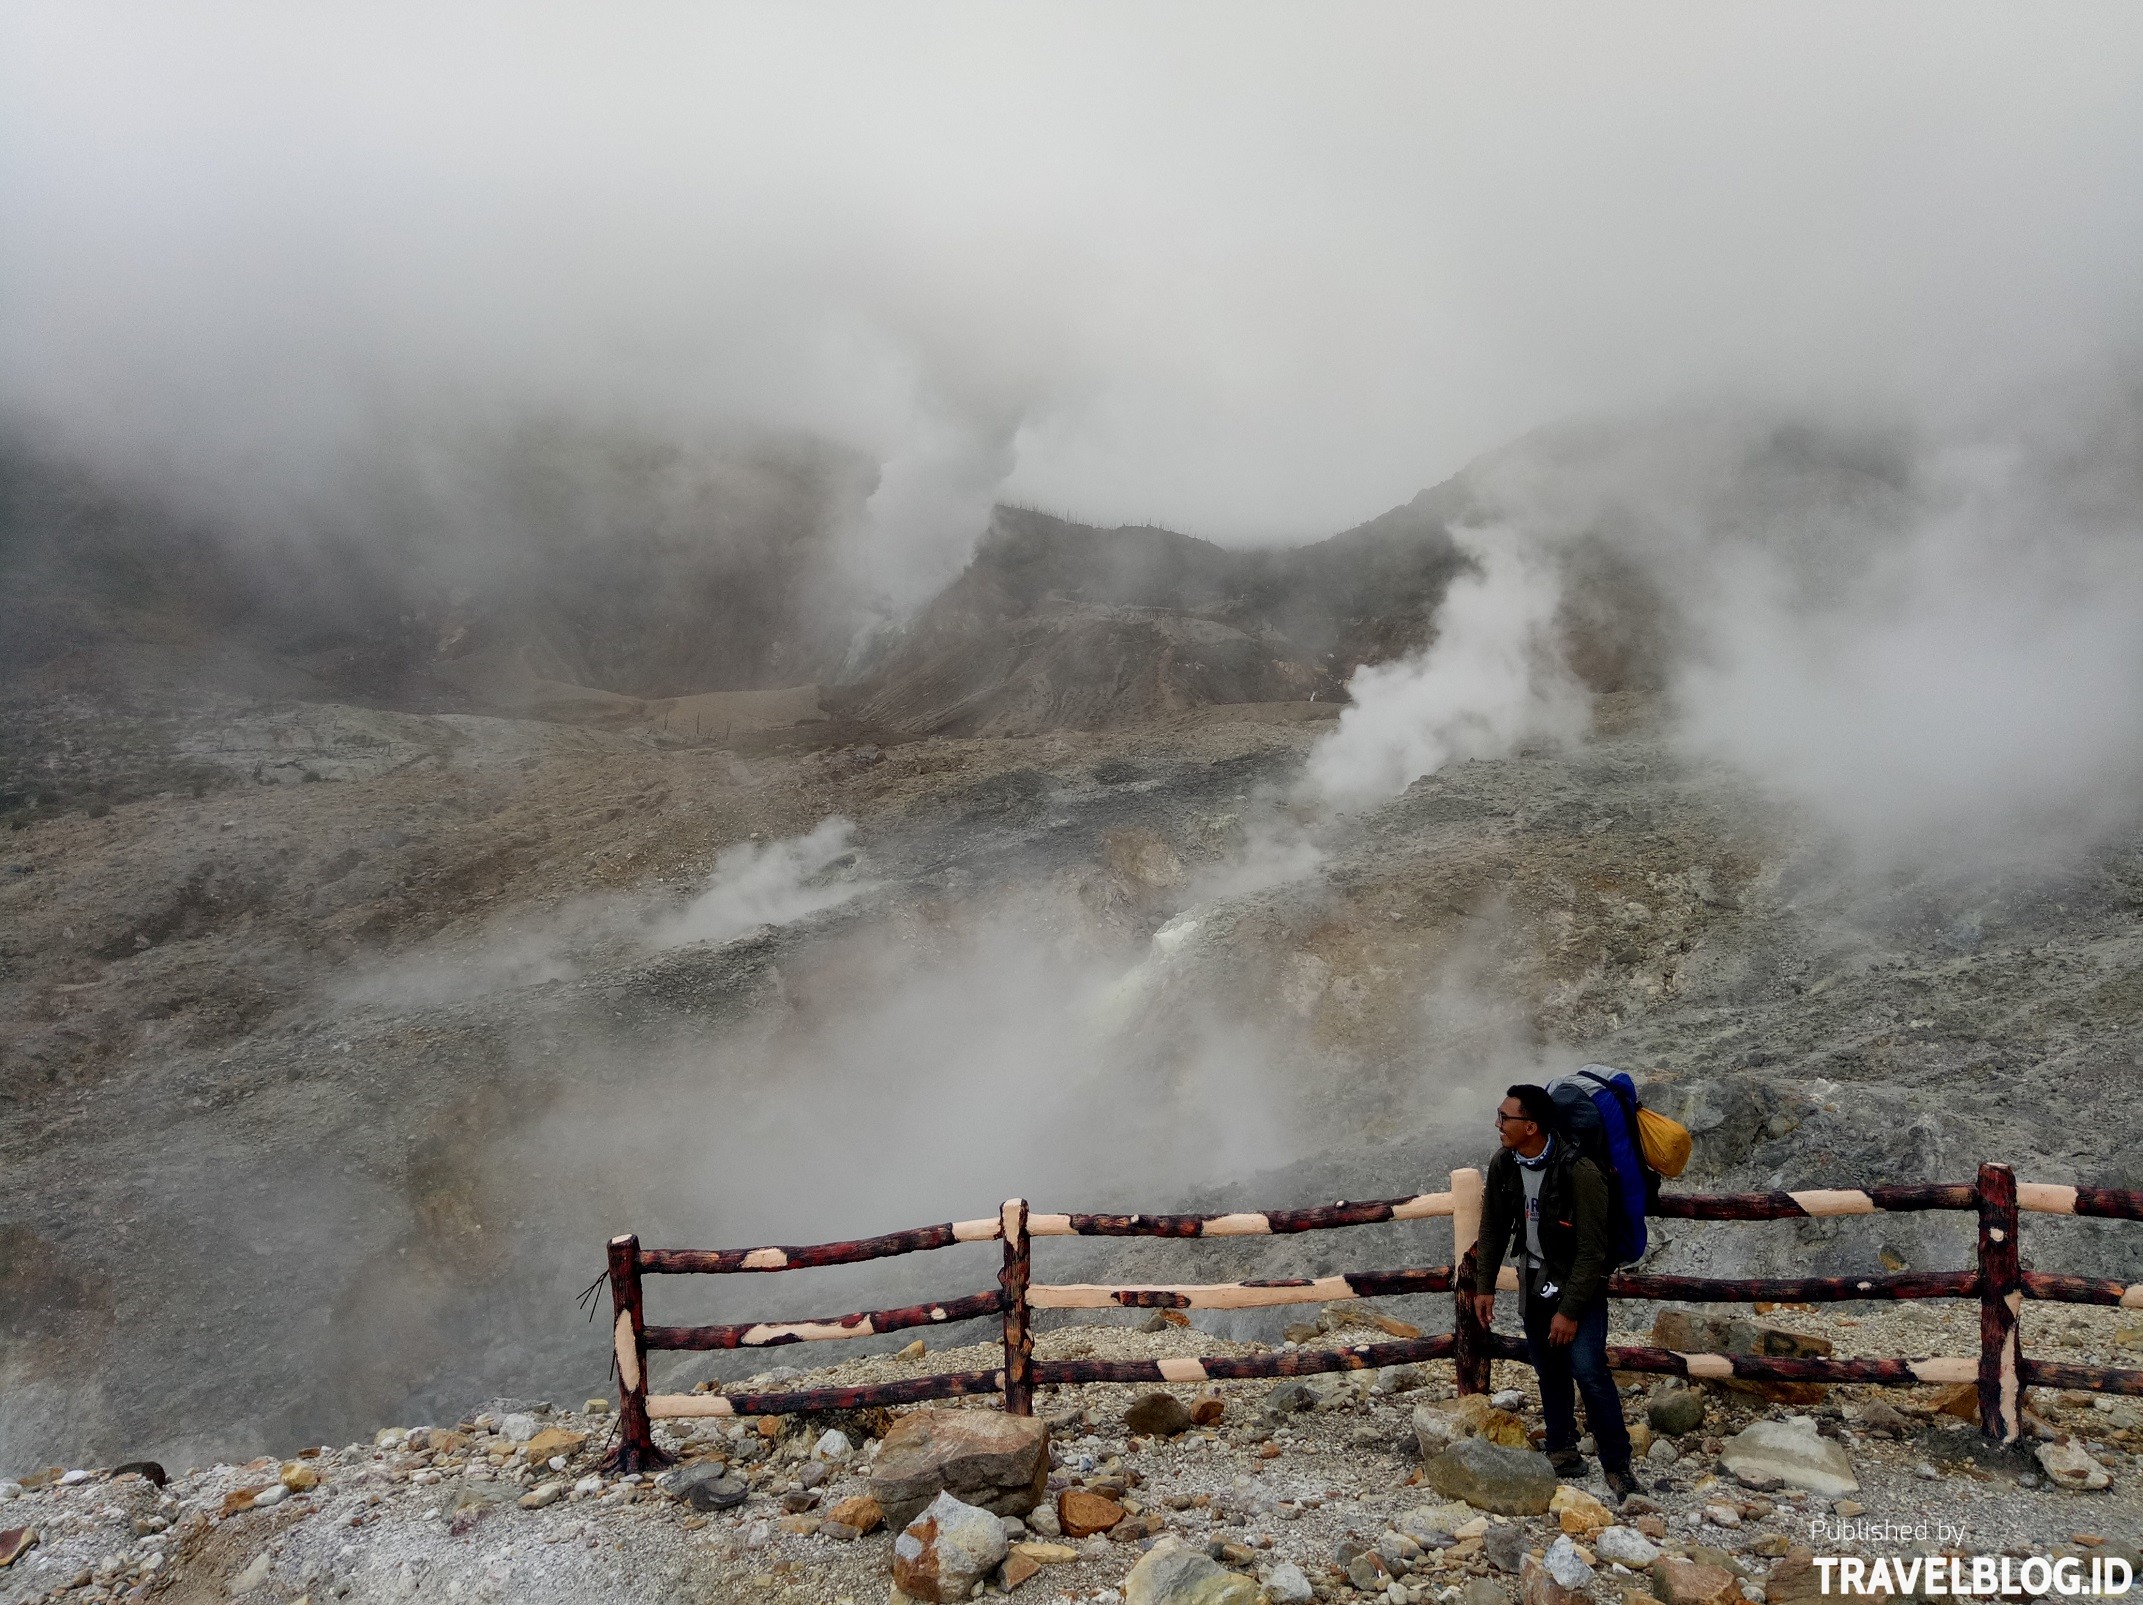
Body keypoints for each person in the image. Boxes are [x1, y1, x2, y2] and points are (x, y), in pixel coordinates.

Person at [1466, 1082, 1642, 1501]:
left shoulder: (1579, 1170)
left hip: (1577, 1284)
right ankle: (1563, 1449)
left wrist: (1570, 1310)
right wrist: (1484, 1286)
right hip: (1532, 1277)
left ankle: (1618, 1465)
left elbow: (1593, 1251)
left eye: (1505, 1117)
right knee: (1548, 1368)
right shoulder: (1505, 1164)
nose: (1498, 1124)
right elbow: (1492, 1228)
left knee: (1588, 1371)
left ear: (1531, 1126)